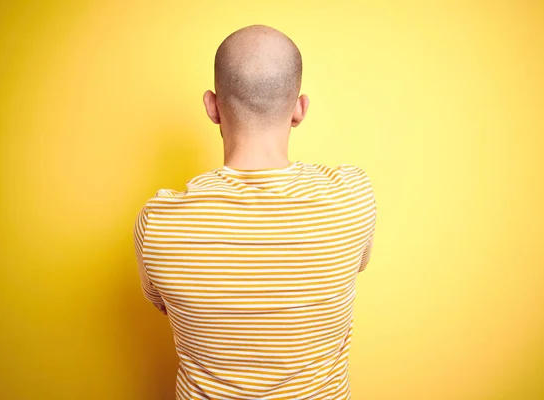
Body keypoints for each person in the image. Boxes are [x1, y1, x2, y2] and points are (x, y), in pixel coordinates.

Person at [133, 24, 377, 400]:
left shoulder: (158, 222)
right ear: (299, 109)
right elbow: (356, 265)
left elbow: (164, 305)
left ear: (213, 107)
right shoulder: (354, 198)